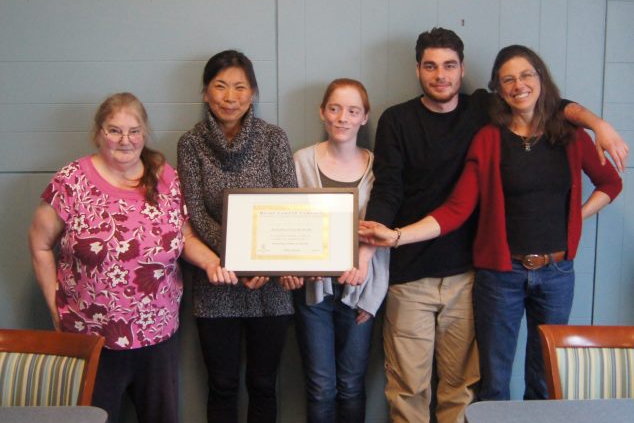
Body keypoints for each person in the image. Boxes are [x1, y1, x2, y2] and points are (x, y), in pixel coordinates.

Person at [361, 28, 628, 423]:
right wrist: (389, 238)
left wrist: (597, 126)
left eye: (527, 76)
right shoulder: (481, 134)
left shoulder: (561, 133)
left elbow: (607, 177)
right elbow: (450, 206)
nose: (519, 86)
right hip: (484, 274)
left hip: (541, 272)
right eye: (508, 79)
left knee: (538, 377)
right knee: (477, 383)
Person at [29, 92, 223, 423]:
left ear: (144, 133)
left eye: (134, 131)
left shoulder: (166, 178)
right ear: (98, 133)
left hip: (157, 336)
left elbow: (185, 237)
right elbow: (40, 244)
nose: (125, 140)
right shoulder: (71, 181)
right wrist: (54, 306)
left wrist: (212, 263)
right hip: (92, 336)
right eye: (114, 130)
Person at [177, 50, 297, 423]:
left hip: (270, 282)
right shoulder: (190, 143)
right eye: (221, 86)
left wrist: (261, 263)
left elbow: (287, 207)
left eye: (240, 87)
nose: (231, 97)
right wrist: (240, 259)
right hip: (215, 278)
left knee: (264, 382)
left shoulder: (274, 139)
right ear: (205, 93)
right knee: (222, 383)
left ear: (253, 93)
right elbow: (195, 213)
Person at [293, 78, 389, 423]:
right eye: (334, 109)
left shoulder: (378, 167)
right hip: (314, 292)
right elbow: (289, 222)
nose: (342, 118)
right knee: (321, 387)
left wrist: (371, 296)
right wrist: (303, 264)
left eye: (352, 111)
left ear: (365, 117)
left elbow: (383, 236)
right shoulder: (301, 162)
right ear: (322, 112)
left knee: (351, 384)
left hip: (360, 293)